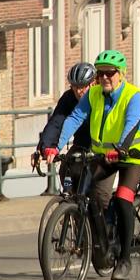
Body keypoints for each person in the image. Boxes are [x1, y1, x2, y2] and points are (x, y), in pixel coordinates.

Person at [43, 50, 140, 280]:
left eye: (109, 73)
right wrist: (56, 146)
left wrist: (121, 147)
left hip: (131, 156)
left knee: (123, 198)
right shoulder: (93, 95)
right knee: (89, 191)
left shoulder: (134, 96)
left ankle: (124, 259)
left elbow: (132, 124)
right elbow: (74, 119)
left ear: (120, 74)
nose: (104, 78)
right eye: (100, 73)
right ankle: (101, 242)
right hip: (104, 156)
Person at [33, 62, 97, 190]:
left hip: (103, 145)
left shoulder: (101, 97)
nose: (78, 91)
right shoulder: (69, 98)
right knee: (66, 168)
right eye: (74, 87)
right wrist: (46, 147)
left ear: (93, 83)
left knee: (95, 185)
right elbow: (56, 122)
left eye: (83, 87)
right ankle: (73, 205)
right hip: (82, 143)